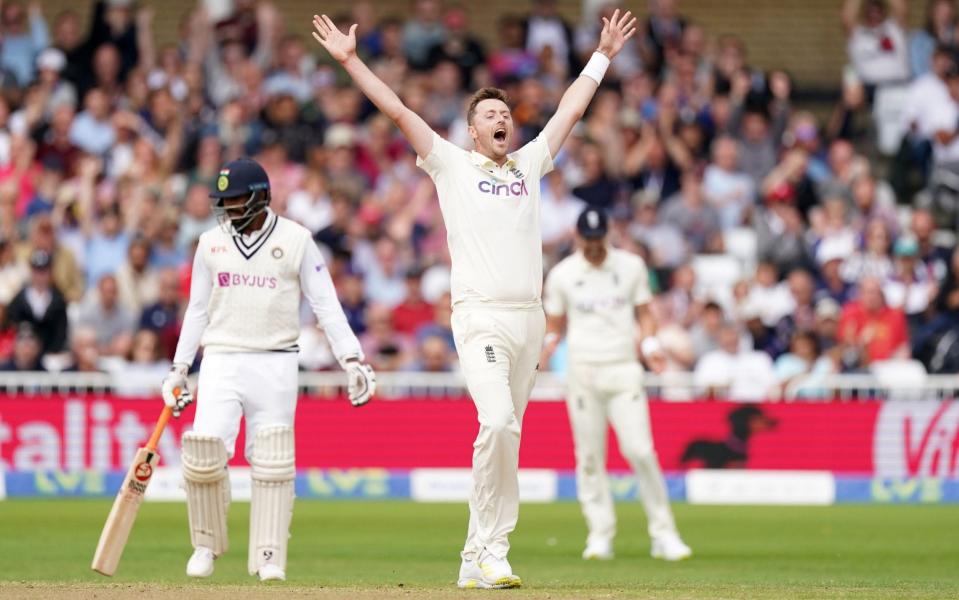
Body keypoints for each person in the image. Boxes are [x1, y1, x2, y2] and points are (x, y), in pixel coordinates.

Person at [312, 8, 638, 589]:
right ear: (471, 129)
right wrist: (351, 61)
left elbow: (571, 109)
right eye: (489, 113)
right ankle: (493, 552)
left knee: (508, 435)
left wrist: (602, 56)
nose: (501, 118)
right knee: (498, 422)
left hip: (529, 321)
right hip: (480, 317)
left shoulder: (530, 164)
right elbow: (396, 110)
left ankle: (473, 557)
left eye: (506, 113)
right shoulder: (450, 164)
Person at [160, 158, 376, 582]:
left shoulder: (297, 240)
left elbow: (325, 303)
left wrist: (352, 358)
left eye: (236, 200)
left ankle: (270, 555)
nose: (229, 210)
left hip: (276, 360)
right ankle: (205, 544)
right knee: (204, 452)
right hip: (221, 358)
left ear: (260, 198)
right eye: (223, 202)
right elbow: (197, 311)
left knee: (273, 460)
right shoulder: (210, 243)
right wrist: (178, 369)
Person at [540, 207, 691, 562]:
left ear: (607, 234)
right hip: (583, 372)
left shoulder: (630, 267)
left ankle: (664, 533)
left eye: (598, 239)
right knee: (590, 457)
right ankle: (600, 534)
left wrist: (651, 346)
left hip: (623, 369)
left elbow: (645, 314)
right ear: (577, 238)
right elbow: (556, 325)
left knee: (640, 450)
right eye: (587, 240)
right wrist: (546, 349)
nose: (593, 247)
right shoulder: (563, 275)